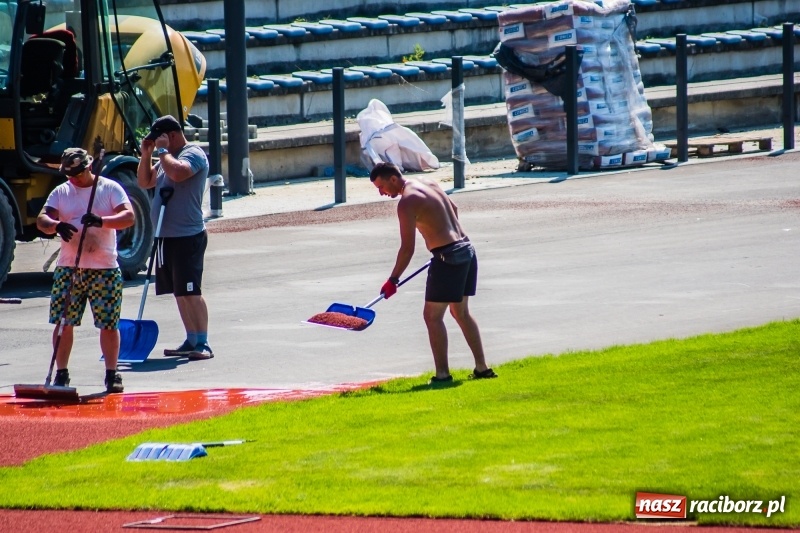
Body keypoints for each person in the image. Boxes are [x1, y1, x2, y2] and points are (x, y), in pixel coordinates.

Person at [369, 162, 497, 384]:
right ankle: (482, 368)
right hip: (466, 248)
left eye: (381, 187)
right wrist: (441, 235)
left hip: (449, 257)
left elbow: (407, 248)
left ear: (392, 179)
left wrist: (393, 280)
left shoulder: (406, 202)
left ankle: (442, 375)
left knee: (432, 317)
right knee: (461, 313)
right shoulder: (428, 182)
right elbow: (454, 209)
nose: (382, 193)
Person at [37, 147, 135, 393]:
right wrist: (56, 226)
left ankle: (112, 374)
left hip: (104, 269)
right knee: (62, 322)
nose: (73, 179)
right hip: (69, 268)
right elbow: (42, 220)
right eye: (68, 174)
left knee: (108, 324)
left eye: (77, 174)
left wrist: (102, 221)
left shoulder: (109, 188)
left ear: (88, 167)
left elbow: (128, 216)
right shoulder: (62, 192)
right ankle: (61, 373)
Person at [136, 115, 213, 360]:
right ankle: (191, 339)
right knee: (179, 292)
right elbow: (144, 181)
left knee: (191, 290)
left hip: (187, 235)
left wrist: (161, 152)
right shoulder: (164, 158)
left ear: (170, 135)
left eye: (159, 138)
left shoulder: (192, 153)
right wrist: (147, 153)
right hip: (166, 236)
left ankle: (203, 342)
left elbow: (179, 174)